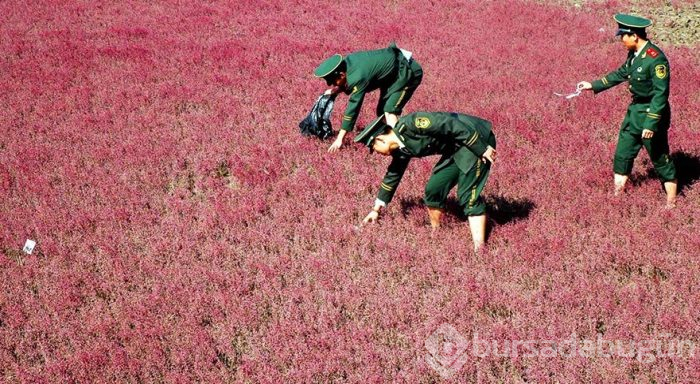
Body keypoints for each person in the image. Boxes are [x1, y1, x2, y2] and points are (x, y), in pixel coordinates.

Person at [354, 112, 497, 252]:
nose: (376, 153)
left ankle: (480, 251)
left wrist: (481, 148)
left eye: (373, 148)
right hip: (455, 147)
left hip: (475, 137)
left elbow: (450, 123)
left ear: (380, 139)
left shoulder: (412, 124)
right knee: (433, 190)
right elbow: (393, 174)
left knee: (468, 196)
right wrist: (376, 210)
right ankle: (437, 234)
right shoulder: (400, 148)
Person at [577, 13, 677, 208]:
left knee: (660, 158)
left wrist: (651, 123)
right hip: (634, 114)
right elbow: (621, 73)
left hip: (651, 115)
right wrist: (593, 85)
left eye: (623, 36)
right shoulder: (635, 55)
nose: (621, 40)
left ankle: (671, 202)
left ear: (634, 36)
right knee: (622, 154)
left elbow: (660, 95)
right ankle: (617, 197)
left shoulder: (656, 60)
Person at [313, 43, 423, 152]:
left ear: (342, 75)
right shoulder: (347, 63)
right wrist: (336, 90)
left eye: (333, 82)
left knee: (389, 110)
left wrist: (339, 139)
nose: (333, 85)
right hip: (391, 76)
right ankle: (387, 140)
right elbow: (350, 81)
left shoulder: (358, 76)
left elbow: (352, 109)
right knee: (381, 112)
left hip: (407, 73)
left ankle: (404, 147)